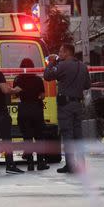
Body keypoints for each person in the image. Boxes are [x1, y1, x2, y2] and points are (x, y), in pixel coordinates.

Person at [44, 43, 91, 173]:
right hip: (78, 104)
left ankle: (70, 165)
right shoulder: (82, 66)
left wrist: (51, 62)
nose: (59, 54)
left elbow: (47, 76)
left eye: (60, 51)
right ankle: (82, 165)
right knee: (78, 135)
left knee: (67, 135)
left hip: (65, 105)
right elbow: (87, 85)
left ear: (66, 52)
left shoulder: (62, 65)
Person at [14, 58, 48, 171]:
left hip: (24, 109)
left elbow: (15, 95)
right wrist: (36, 97)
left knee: (27, 138)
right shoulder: (38, 80)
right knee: (39, 137)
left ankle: (30, 164)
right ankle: (40, 163)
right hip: (36, 109)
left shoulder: (18, 79)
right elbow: (43, 96)